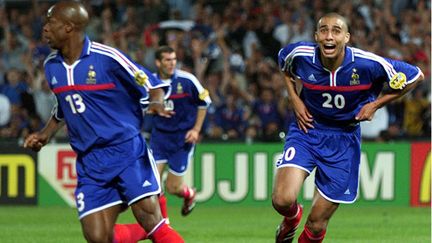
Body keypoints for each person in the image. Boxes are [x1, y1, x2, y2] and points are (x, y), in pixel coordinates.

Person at [23, 2, 183, 243]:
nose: (44, 29)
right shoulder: (51, 66)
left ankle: (155, 227)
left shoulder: (107, 58)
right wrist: (46, 134)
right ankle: (148, 229)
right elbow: (65, 105)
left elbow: (153, 84)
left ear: (68, 27)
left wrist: (156, 104)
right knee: (98, 237)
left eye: (50, 23)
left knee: (152, 221)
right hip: (90, 161)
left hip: (126, 151)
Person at [273, 12, 424, 243]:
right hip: (308, 129)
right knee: (282, 200)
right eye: (323, 30)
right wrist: (294, 98)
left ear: (346, 37)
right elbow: (284, 62)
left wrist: (376, 104)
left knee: (316, 224)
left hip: (344, 139)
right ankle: (292, 218)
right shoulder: (301, 54)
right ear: (316, 36)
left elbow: (416, 75)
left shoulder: (367, 64)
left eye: (336, 31)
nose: (329, 36)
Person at [150, 45, 211, 221]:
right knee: (154, 183)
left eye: (174, 59)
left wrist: (196, 129)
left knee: (173, 187)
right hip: (160, 138)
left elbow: (205, 102)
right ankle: (164, 224)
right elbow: (141, 105)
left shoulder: (187, 80)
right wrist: (151, 109)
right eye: (167, 60)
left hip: (182, 140)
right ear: (158, 62)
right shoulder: (150, 82)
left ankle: (188, 193)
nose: (172, 63)